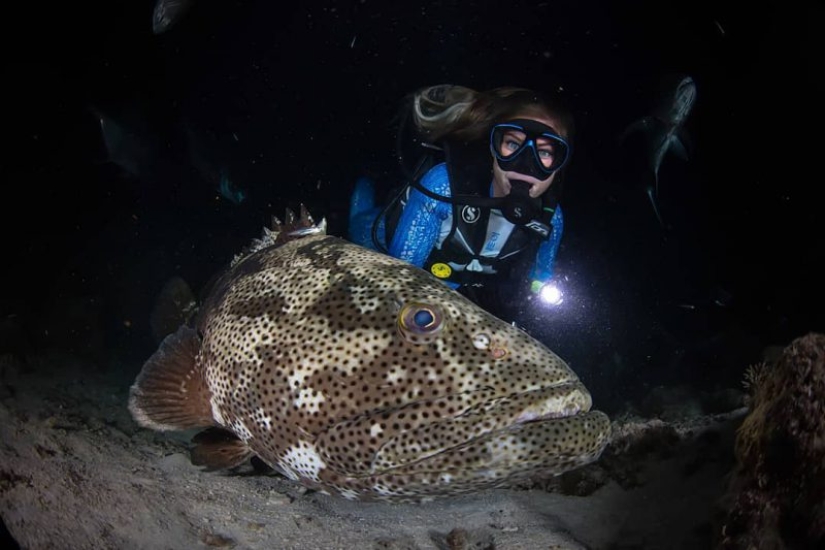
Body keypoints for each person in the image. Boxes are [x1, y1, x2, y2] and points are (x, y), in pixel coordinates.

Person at [348, 84, 574, 317]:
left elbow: (541, 276)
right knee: (360, 225)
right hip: (382, 242)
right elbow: (402, 279)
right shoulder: (442, 184)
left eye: (545, 152)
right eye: (513, 144)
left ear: (559, 163)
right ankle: (362, 187)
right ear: (493, 147)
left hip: (457, 283)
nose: (526, 164)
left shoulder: (551, 218)